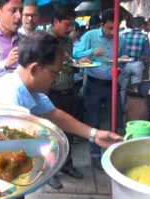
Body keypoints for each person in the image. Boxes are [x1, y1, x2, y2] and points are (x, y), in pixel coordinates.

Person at [0, 31, 123, 174]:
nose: (56, 79)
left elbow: (53, 113)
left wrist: (94, 135)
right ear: (35, 69)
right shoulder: (11, 102)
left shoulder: (27, 87)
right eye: (54, 74)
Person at [73, 8, 127, 170]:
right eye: (110, 28)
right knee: (94, 120)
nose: (113, 32)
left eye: (116, 28)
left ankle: (113, 153)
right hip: (94, 83)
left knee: (115, 119)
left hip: (113, 83)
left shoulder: (121, 39)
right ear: (102, 24)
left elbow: (121, 58)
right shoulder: (90, 36)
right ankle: (95, 155)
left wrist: (122, 63)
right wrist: (91, 52)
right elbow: (76, 53)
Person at [46, 5, 89, 189]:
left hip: (68, 91)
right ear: (55, 22)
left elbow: (68, 63)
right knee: (51, 134)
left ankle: (66, 165)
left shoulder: (68, 41)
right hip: (49, 95)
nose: (71, 28)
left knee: (68, 132)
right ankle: (50, 171)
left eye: (72, 24)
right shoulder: (45, 41)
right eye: (67, 24)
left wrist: (77, 63)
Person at [120, 16, 150, 107]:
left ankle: (120, 108)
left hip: (124, 63)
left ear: (133, 25)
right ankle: (132, 108)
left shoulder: (124, 35)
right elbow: (146, 54)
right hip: (137, 63)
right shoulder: (144, 37)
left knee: (122, 88)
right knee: (134, 89)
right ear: (142, 26)